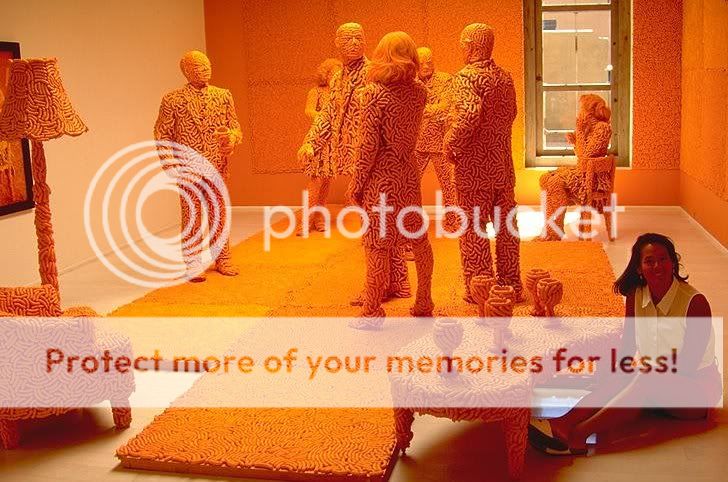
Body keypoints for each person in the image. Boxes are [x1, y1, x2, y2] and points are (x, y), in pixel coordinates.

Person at [531, 233, 721, 454]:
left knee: (646, 377)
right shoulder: (635, 295)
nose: (658, 266)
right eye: (649, 261)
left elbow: (687, 366)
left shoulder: (695, 303)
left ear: (673, 263)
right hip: (656, 379)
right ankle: (562, 423)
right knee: (624, 375)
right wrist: (614, 379)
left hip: (696, 391)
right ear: (639, 268)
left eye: (663, 259)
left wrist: (643, 378)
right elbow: (628, 347)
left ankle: (578, 436)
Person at [346, 31, 435, 329]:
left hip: (382, 177)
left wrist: (356, 183)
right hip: (408, 172)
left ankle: (372, 311)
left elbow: (367, 147)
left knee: (377, 243)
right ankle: (424, 300)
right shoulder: (419, 91)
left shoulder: (372, 94)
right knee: (418, 238)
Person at [444, 23, 522, 302]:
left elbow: (468, 115)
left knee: (474, 229)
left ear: (471, 46)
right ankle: (511, 283)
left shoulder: (465, 78)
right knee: (507, 228)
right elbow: (511, 113)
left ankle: (481, 287)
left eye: (463, 45)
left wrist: (451, 144)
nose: (462, 50)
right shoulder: (505, 77)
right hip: (502, 164)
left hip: (474, 168)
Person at [154, 50, 242, 282]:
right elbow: (162, 134)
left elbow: (235, 127)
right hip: (188, 167)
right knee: (192, 214)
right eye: (199, 67)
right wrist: (169, 163)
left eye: (207, 65)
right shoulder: (172, 100)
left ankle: (222, 257)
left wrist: (231, 138)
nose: (206, 70)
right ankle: (192, 261)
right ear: (187, 71)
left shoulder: (223, 96)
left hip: (216, 166)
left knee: (218, 213)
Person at [539, 94, 613, 241]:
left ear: (589, 111)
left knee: (555, 182)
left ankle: (553, 233)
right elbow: (582, 155)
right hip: (584, 173)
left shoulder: (602, 128)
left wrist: (579, 131)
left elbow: (585, 155)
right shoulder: (589, 128)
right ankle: (551, 227)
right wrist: (576, 141)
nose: (579, 113)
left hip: (594, 179)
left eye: (581, 109)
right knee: (545, 178)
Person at [298, 58, 342, 234]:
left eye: (338, 74)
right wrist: (324, 118)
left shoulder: (340, 94)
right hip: (318, 138)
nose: (335, 77)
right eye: (332, 74)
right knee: (315, 181)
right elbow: (308, 110)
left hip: (333, 141)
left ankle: (319, 218)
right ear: (326, 74)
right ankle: (305, 221)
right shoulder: (316, 91)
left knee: (326, 183)